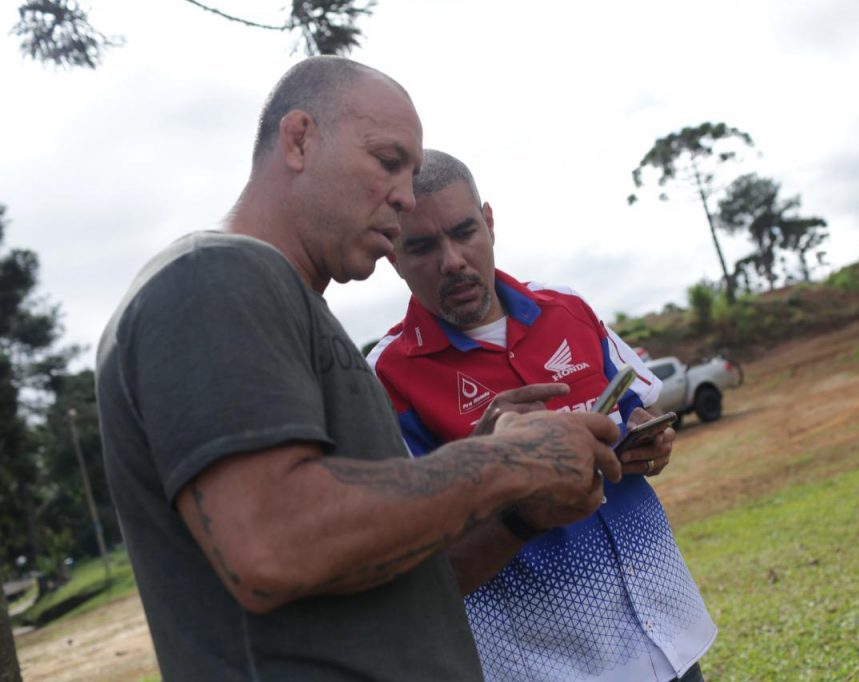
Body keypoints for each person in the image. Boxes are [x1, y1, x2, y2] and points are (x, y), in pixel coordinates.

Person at [95, 58, 623, 682]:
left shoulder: (292, 311)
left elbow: (398, 578)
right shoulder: (214, 276)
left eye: (412, 171)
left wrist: (513, 507)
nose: (405, 194)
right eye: (387, 161)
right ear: (299, 140)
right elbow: (272, 543)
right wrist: (507, 463)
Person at [369, 150, 717, 682]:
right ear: (392, 252)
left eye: (464, 232)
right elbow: (413, 559)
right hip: (554, 663)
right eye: (422, 246)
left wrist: (651, 440)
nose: (453, 260)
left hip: (666, 631)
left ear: (488, 221)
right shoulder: (386, 377)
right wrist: (489, 468)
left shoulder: (567, 308)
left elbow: (638, 404)